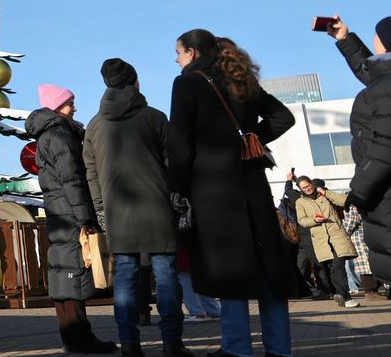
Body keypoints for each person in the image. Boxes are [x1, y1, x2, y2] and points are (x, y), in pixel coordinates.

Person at [167, 30, 296, 357]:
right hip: (252, 184)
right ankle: (279, 348)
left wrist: (177, 188)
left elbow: (180, 145)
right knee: (267, 265)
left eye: (179, 53)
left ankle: (238, 348)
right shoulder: (241, 81)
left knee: (229, 268)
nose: (177, 59)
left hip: (212, 190)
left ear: (193, 53)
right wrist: (250, 139)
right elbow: (284, 117)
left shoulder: (187, 83)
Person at [84, 58, 192, 357]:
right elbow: (175, 164)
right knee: (166, 277)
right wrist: (176, 198)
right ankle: (172, 343)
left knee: (125, 278)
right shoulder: (154, 118)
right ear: (135, 82)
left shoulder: (94, 125)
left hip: (118, 212)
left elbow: (90, 173)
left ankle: (130, 344)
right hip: (157, 208)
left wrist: (101, 210)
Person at [29, 84, 117, 355]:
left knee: (65, 275)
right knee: (73, 275)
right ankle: (81, 339)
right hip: (70, 212)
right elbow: (72, 180)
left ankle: (72, 337)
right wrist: (86, 218)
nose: (74, 107)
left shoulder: (48, 135)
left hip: (59, 212)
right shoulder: (59, 135)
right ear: (57, 107)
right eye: (69, 103)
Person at [325, 16, 391, 284]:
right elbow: (374, 75)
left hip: (385, 193)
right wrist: (346, 39)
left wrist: (359, 191)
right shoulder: (383, 83)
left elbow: (386, 145)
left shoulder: (384, 88)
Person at [294, 175, 360, 308]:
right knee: (331, 268)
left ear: (312, 184)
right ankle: (340, 294)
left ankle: (345, 297)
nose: (307, 189)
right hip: (320, 239)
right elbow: (302, 220)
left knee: (339, 265)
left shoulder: (324, 194)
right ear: (300, 189)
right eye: (303, 188)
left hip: (336, 235)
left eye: (308, 186)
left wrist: (327, 193)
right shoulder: (300, 202)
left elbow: (345, 201)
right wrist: (314, 220)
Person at [342, 205, 376, 297]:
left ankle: (371, 292)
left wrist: (342, 235)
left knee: (365, 266)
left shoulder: (353, 203)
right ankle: (372, 292)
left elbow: (349, 224)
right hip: (370, 236)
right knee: (369, 265)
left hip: (361, 237)